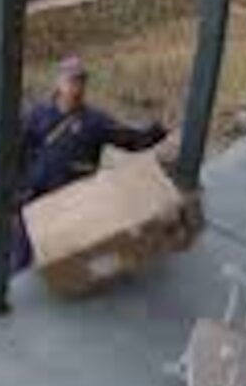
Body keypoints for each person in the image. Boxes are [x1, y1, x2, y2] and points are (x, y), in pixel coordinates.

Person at [11, 57, 169, 272]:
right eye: (71, 81)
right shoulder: (37, 115)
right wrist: (21, 185)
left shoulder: (95, 121)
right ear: (59, 82)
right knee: (22, 252)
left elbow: (130, 140)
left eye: (81, 81)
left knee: (75, 253)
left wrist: (157, 131)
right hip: (38, 195)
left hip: (76, 199)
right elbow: (19, 149)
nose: (76, 87)